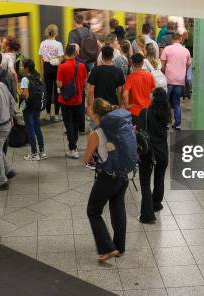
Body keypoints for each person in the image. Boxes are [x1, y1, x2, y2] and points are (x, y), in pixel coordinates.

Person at [83, 98, 130, 262]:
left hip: (108, 177)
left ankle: (107, 249)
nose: (88, 110)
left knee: (93, 211)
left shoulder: (96, 134)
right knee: (118, 208)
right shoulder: (117, 127)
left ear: (95, 114)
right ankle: (119, 247)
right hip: (123, 174)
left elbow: (87, 159)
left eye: (90, 108)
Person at [137, 88, 171, 223]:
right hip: (162, 152)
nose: (149, 94)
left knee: (145, 183)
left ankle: (147, 216)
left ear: (154, 97)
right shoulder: (167, 114)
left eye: (152, 93)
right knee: (159, 178)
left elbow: (139, 131)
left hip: (148, 152)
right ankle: (156, 204)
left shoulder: (145, 112)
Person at [57, 44, 88, 159]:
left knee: (68, 123)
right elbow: (85, 83)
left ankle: (73, 148)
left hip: (65, 100)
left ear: (66, 53)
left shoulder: (62, 67)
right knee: (75, 123)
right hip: (78, 99)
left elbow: (59, 84)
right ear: (75, 53)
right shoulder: (81, 66)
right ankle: (73, 147)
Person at [160, 33, 191, 130]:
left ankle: (165, 123)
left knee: (166, 102)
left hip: (168, 79)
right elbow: (188, 64)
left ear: (172, 39)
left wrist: (165, 72)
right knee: (177, 103)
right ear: (180, 39)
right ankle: (177, 124)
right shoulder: (186, 51)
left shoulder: (167, 49)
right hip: (180, 80)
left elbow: (163, 65)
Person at [20, 59, 47, 161]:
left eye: (22, 66)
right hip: (37, 106)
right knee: (37, 128)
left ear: (26, 68)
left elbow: (26, 96)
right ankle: (42, 151)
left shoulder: (24, 79)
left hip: (28, 107)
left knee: (30, 129)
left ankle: (34, 153)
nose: (21, 68)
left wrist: (21, 93)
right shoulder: (37, 76)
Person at [39, 24, 64, 121]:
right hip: (56, 69)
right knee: (57, 92)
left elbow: (41, 59)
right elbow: (60, 59)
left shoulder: (43, 43)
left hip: (47, 68)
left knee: (48, 92)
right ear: (56, 33)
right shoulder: (58, 44)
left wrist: (43, 71)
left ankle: (48, 114)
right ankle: (57, 115)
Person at [123, 53, 155, 124]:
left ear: (132, 63)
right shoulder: (149, 75)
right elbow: (154, 92)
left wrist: (127, 106)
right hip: (147, 110)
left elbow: (125, 95)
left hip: (134, 111)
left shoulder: (130, 77)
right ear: (143, 62)